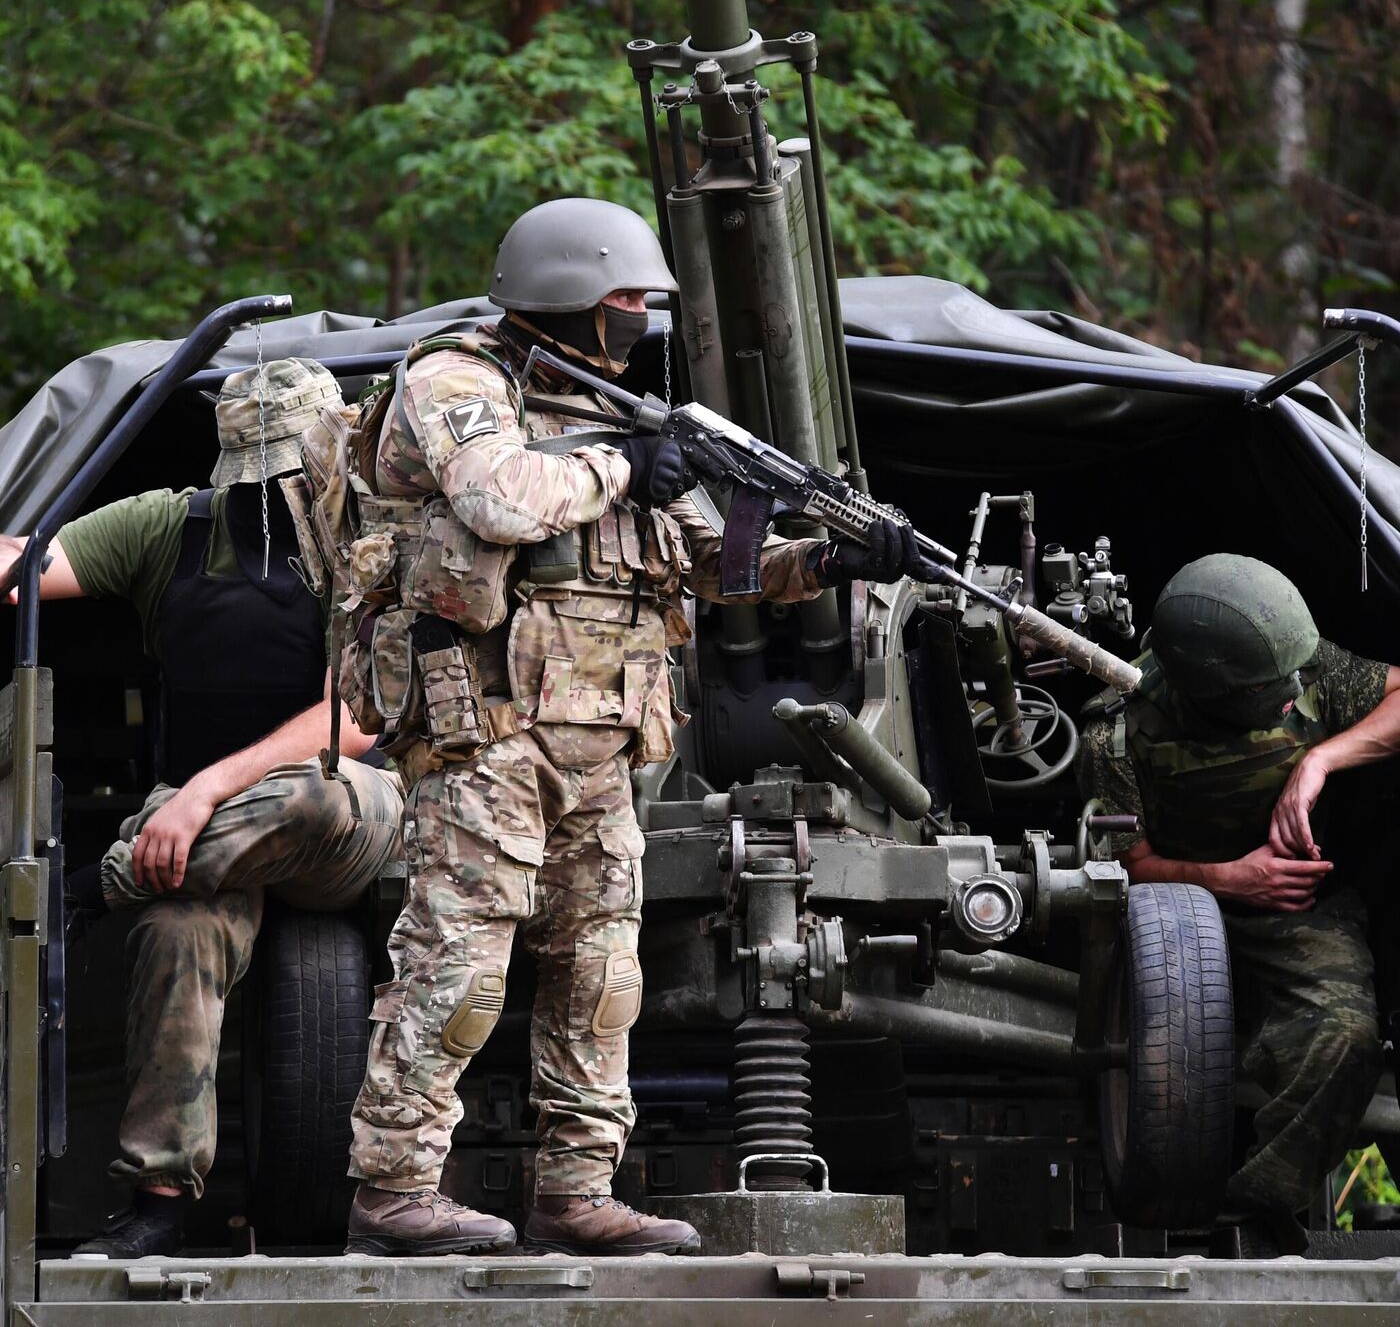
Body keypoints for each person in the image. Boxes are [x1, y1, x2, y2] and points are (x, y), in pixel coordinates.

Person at [342, 197, 929, 1257]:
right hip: (487, 734)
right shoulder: (460, 380)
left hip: (606, 742)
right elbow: (500, 501)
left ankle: (575, 1189)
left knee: (602, 976)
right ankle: (391, 1188)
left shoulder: (621, 410)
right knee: (457, 967)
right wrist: (625, 463)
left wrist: (831, 559)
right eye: (624, 300)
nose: (639, 321)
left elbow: (719, 570)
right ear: (563, 293)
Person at [1, 358, 404, 1257]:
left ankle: (95, 884)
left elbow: (364, 710)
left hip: (331, 814)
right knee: (177, 935)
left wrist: (201, 796)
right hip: (193, 843)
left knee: (316, 786)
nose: (274, 494)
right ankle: (156, 1199)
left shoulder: (371, 534)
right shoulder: (167, 525)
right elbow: (26, 571)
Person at [1076, 552, 1400, 1250]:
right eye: (1269, 685)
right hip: (1173, 927)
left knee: (1347, 1037)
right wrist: (1233, 878)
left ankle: (1261, 1205)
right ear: (1209, 689)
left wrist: (1321, 760)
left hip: (1294, 918)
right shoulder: (1119, 733)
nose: (1290, 691)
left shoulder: (1307, 671)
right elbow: (1126, 871)